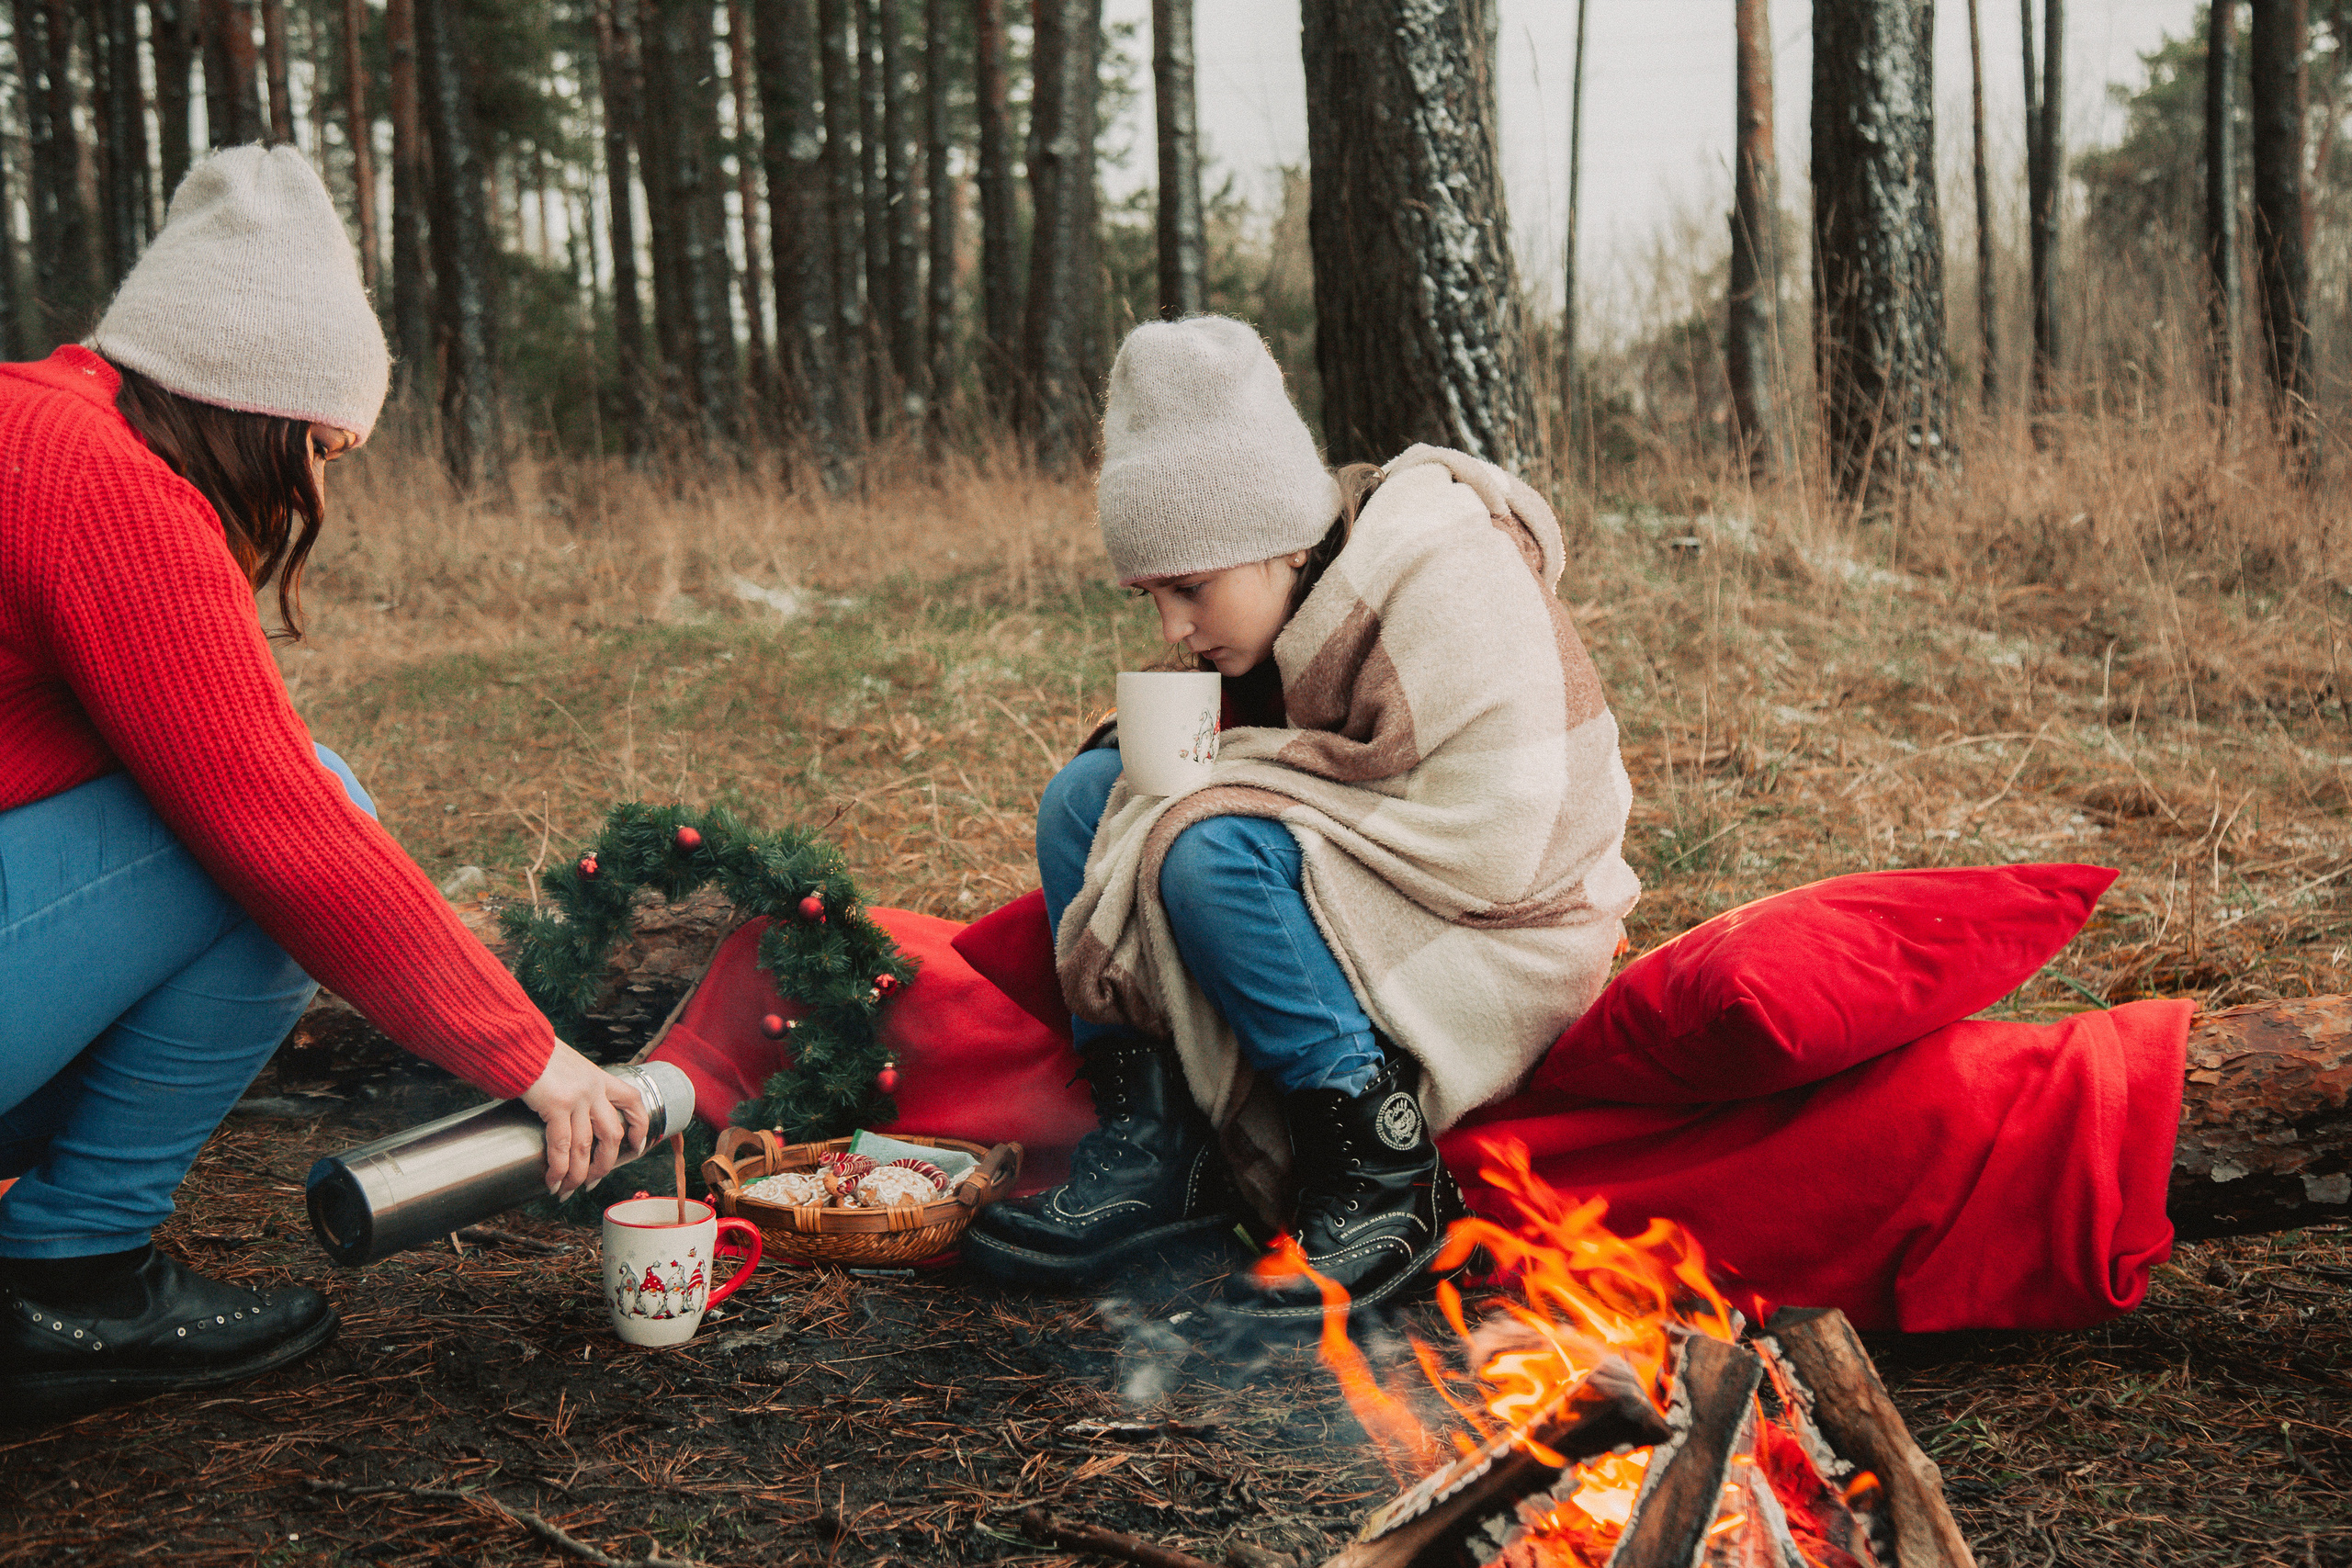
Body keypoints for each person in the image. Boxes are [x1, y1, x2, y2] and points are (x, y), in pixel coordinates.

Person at [0, 147, 644, 1425]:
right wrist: (536, 1057)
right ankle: (72, 1276)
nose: (316, 487)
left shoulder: (25, 419)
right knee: (313, 810)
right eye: (325, 449)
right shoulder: (108, 489)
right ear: (260, 415)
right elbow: (279, 824)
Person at [964, 317, 1641, 1326]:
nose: (1173, 630)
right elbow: (1286, 766)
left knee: (1206, 849)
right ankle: (1159, 1149)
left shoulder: (1442, 573)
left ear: (1280, 538)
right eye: (1148, 596)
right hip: (1365, 851)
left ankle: (1381, 1171)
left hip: (1496, 912)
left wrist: (1232, 789)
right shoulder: (1284, 601)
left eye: (1190, 590)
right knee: (1085, 798)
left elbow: (1511, 815)